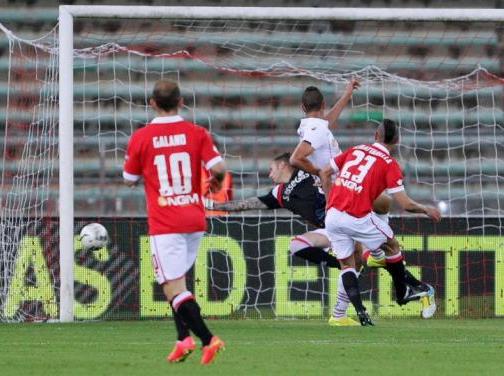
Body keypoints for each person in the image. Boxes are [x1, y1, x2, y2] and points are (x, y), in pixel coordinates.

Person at [212, 153, 435, 325]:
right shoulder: (279, 194)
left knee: (375, 247)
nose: (269, 175)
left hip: (348, 217)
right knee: (298, 245)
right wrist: (215, 206)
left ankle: (423, 289)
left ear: (283, 165)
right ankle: (340, 308)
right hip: (332, 228)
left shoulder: (309, 171)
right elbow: (247, 204)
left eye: (271, 169)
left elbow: (329, 168)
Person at [123, 80, 225, 365]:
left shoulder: (142, 137)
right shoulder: (197, 133)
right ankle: (183, 340)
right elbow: (219, 169)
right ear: (182, 101)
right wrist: (213, 185)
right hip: (194, 218)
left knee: (173, 287)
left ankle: (208, 338)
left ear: (152, 103)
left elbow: (129, 180)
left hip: (165, 221)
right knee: (177, 284)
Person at [320, 119, 441, 326]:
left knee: (347, 265)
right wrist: (425, 209)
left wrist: (329, 201)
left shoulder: (355, 149)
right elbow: (404, 204)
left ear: (376, 135)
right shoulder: (390, 164)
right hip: (357, 216)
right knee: (392, 244)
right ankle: (402, 293)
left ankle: (340, 316)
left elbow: (324, 172)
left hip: (332, 215)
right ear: (397, 140)